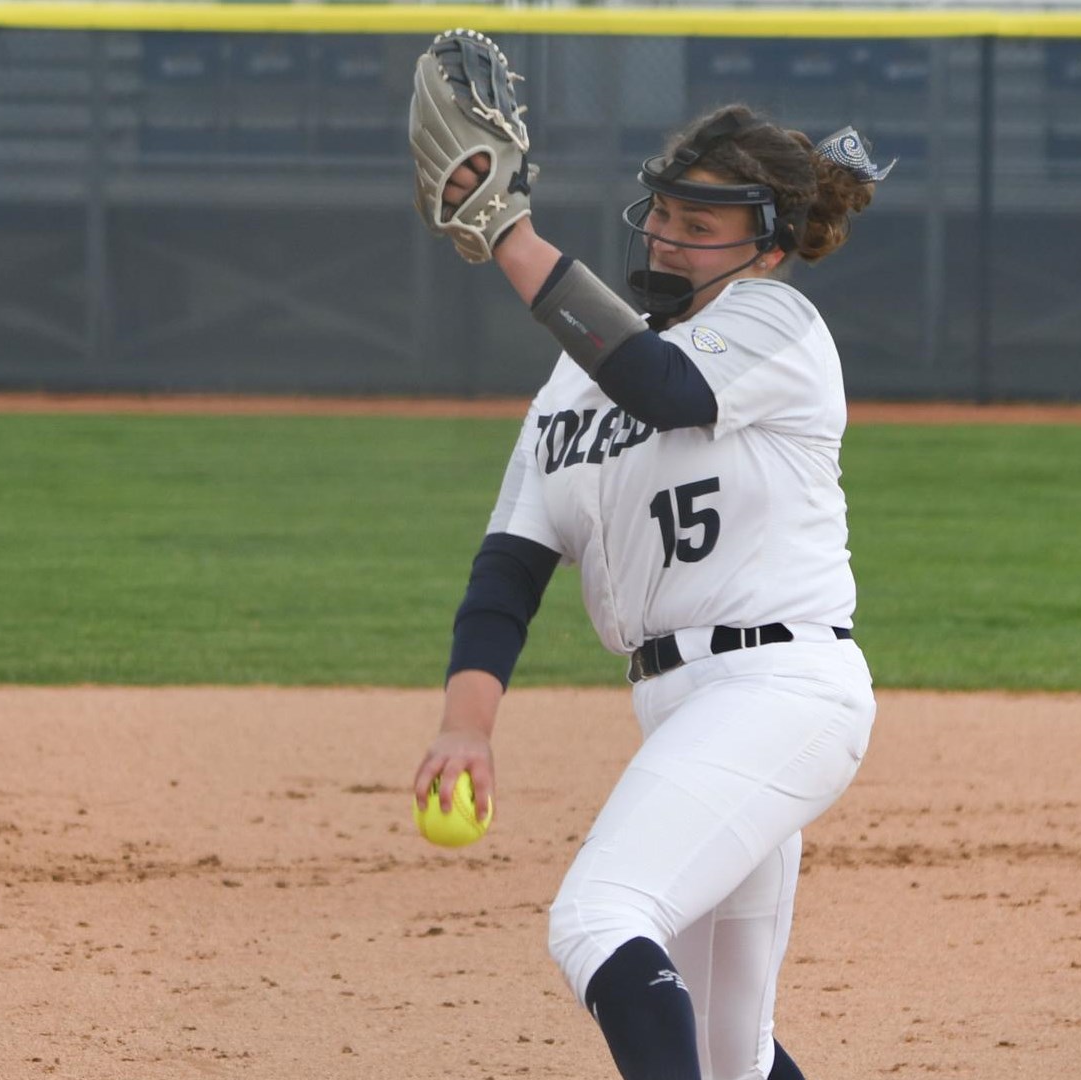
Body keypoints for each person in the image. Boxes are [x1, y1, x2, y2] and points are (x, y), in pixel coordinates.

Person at [410, 53, 893, 1080]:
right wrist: (467, 722)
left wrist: (509, 237)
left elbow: (664, 386)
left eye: (701, 225)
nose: (669, 236)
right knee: (729, 1054)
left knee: (598, 916)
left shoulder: (772, 326)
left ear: (764, 247)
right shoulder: (571, 379)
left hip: (778, 687)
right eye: (665, 213)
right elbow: (509, 567)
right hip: (683, 706)